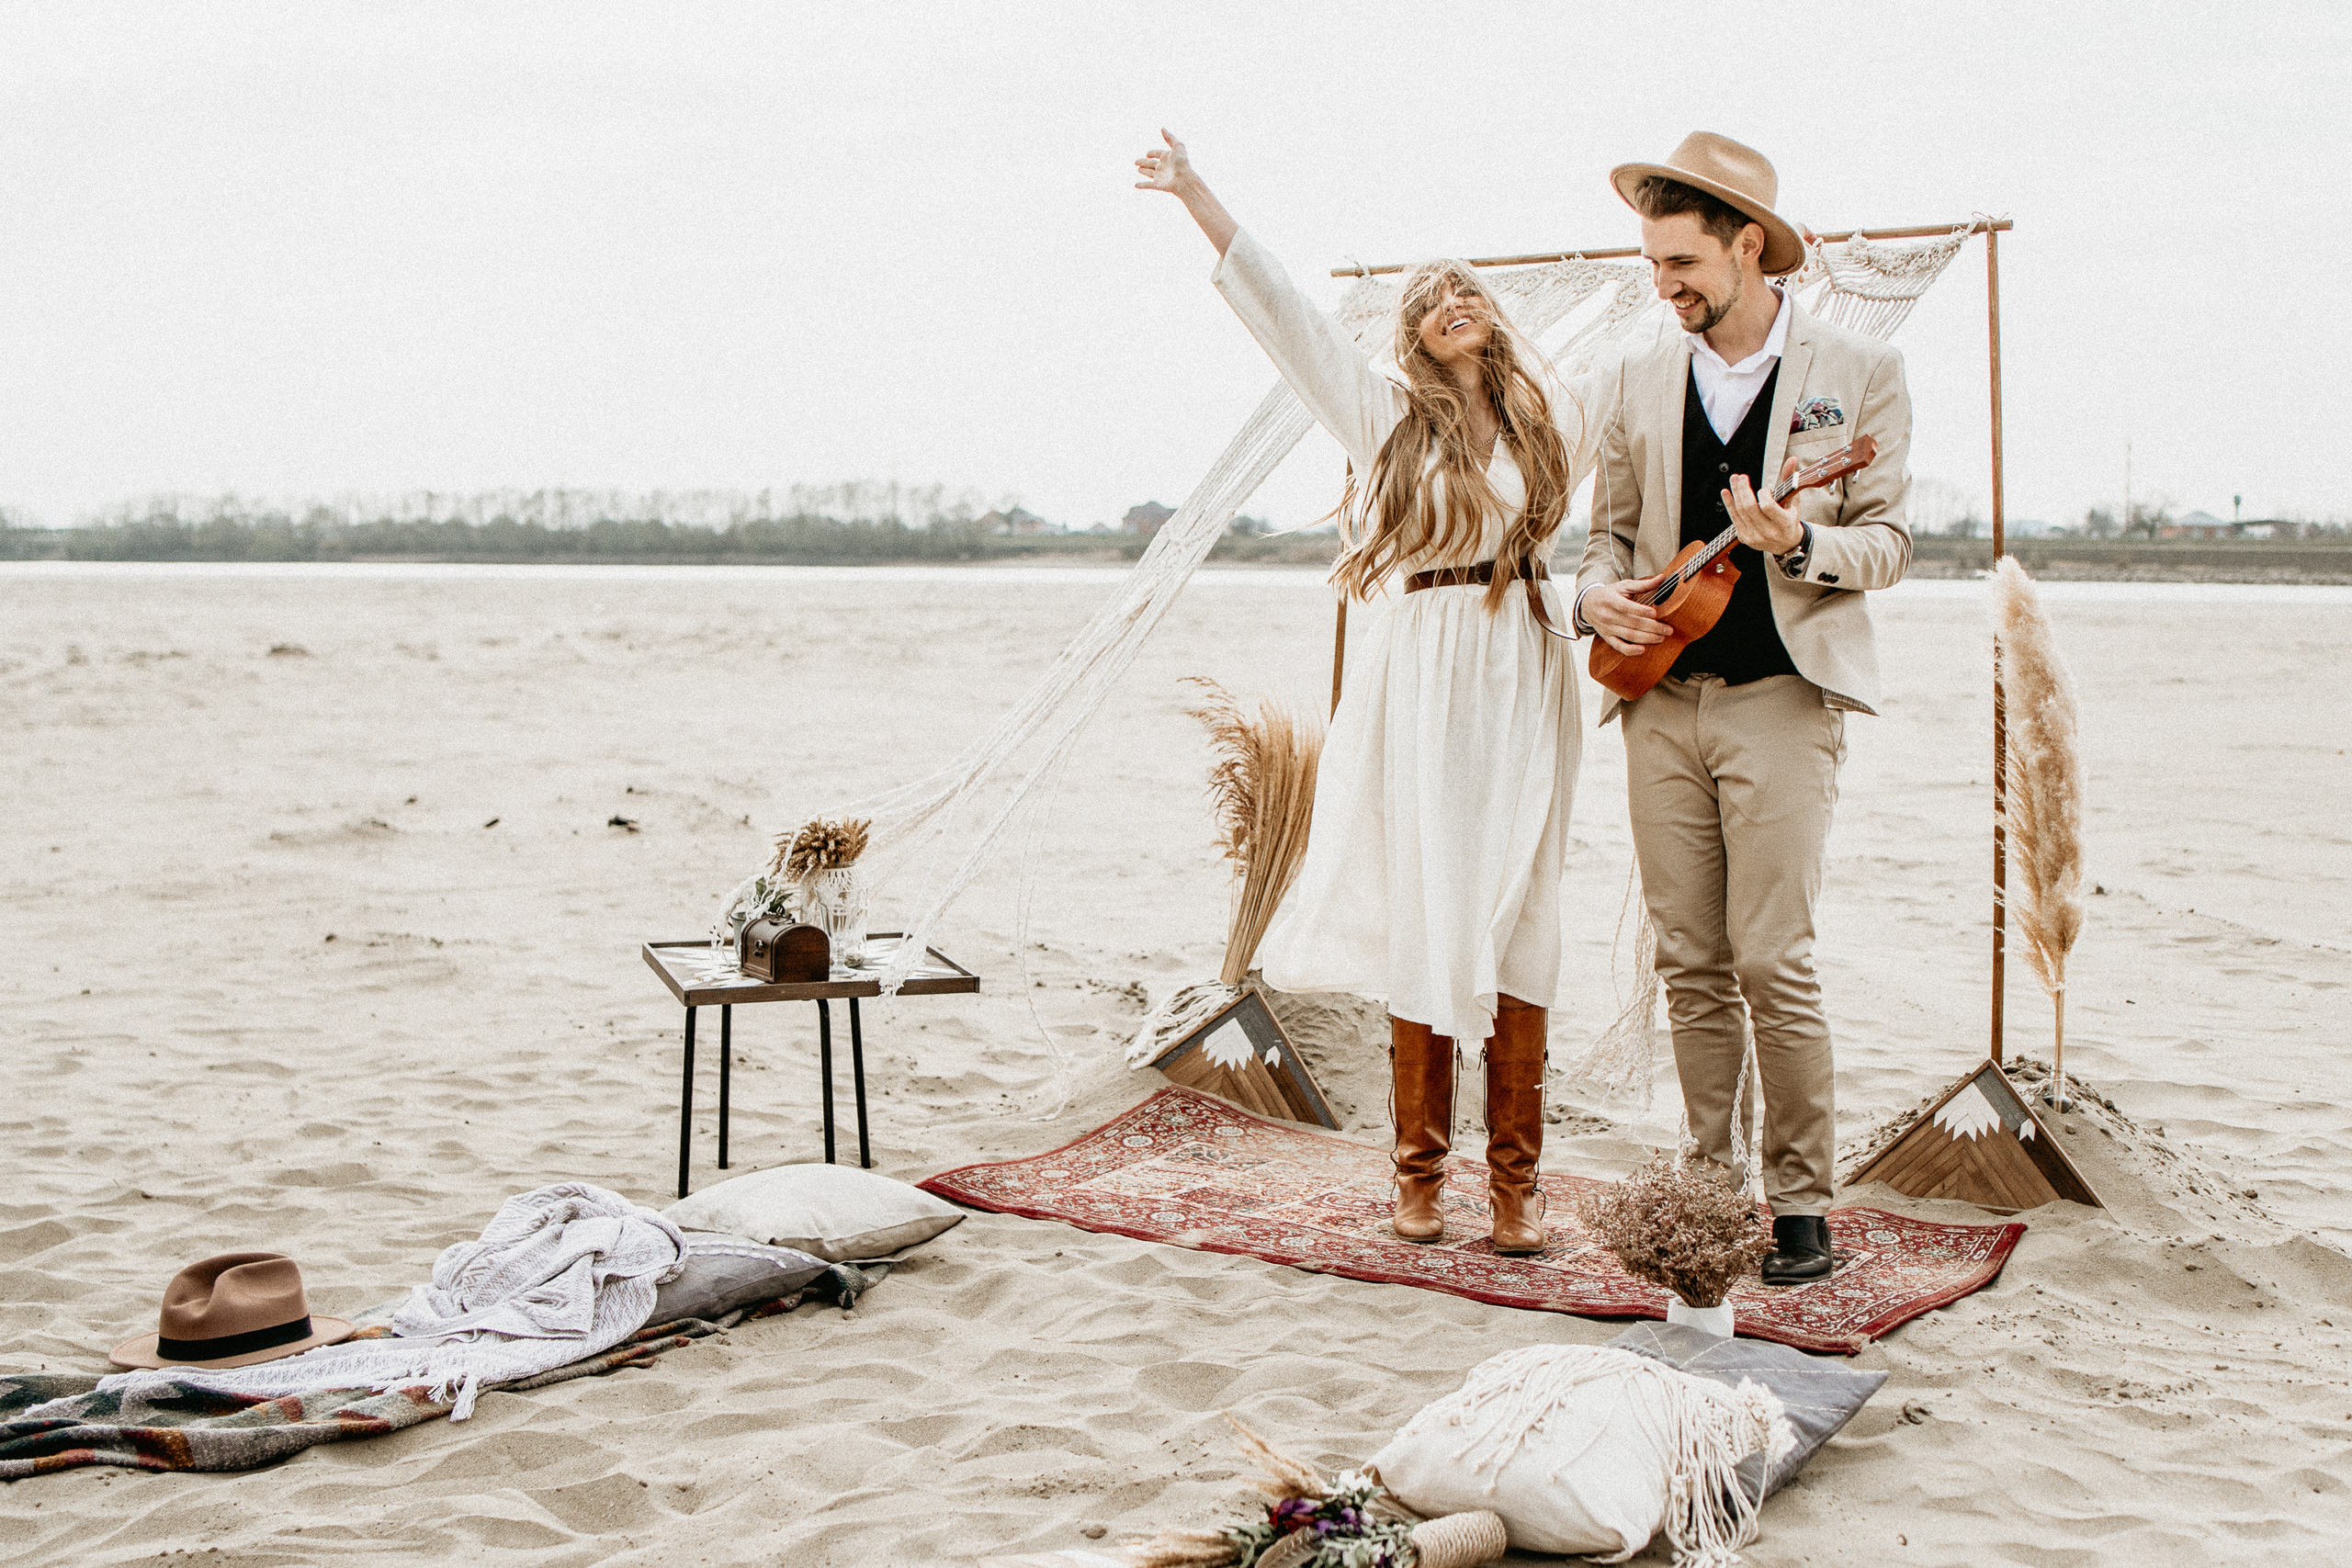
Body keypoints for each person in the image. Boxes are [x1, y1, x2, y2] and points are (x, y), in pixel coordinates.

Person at [1135, 130, 1602, 1254]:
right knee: (1433, 908)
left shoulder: (1551, 425)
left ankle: (1516, 1192)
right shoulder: (1386, 420)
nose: (1450, 299)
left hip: (1528, 661)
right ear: (1411, 329)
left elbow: (1654, 383)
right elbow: (1289, 319)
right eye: (1429, 295)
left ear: (1489, 315)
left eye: (1464, 289)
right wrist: (1200, 191)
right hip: (1429, 668)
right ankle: (1418, 1180)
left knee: (1524, 914)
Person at [1570, 132, 1914, 1284]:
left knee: (1775, 959)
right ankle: (1709, 1183)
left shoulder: (1856, 369)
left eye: (1680, 263)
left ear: (1747, 244)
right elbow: (1607, 539)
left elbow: (1891, 540)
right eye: (1653, 266)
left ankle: (1804, 1202)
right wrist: (1592, 596)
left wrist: (1802, 539)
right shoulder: (1629, 376)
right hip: (1657, 700)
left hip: (1783, 698)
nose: (1662, 287)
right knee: (1687, 959)